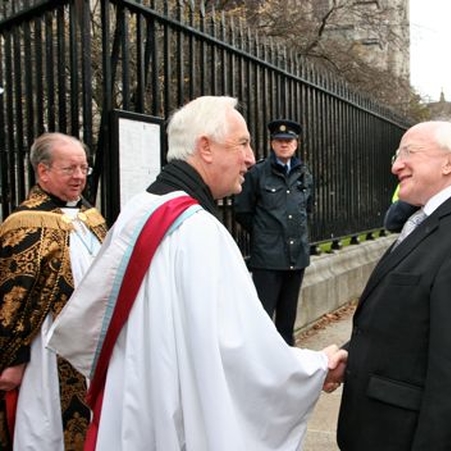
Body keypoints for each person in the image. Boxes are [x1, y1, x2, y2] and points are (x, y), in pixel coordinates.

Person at [46, 96, 347, 451]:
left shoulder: (142, 208)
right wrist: (316, 367)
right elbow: (241, 349)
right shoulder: (197, 231)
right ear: (205, 147)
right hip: (172, 414)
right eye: (242, 144)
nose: (251, 158)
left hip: (137, 402)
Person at [337, 120, 451, 450]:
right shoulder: (428, 220)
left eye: (409, 152)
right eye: (397, 153)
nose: (396, 165)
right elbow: (411, 321)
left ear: (450, 161)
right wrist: (353, 356)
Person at [0, 133, 108, 450]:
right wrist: (14, 358)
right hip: (44, 352)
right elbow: (11, 300)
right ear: (43, 171)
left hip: (91, 343)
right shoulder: (25, 225)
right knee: (45, 424)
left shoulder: (91, 217)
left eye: (83, 168)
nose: (78, 177)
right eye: (69, 169)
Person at [233, 119, 314, 345]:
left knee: (287, 324)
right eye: (279, 141)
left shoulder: (304, 174)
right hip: (268, 259)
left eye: (289, 141)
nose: (284, 145)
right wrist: (264, 235)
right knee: (263, 320)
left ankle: (287, 368)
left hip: (296, 258)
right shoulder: (258, 173)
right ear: (272, 144)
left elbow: (307, 210)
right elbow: (243, 211)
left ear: (296, 144)